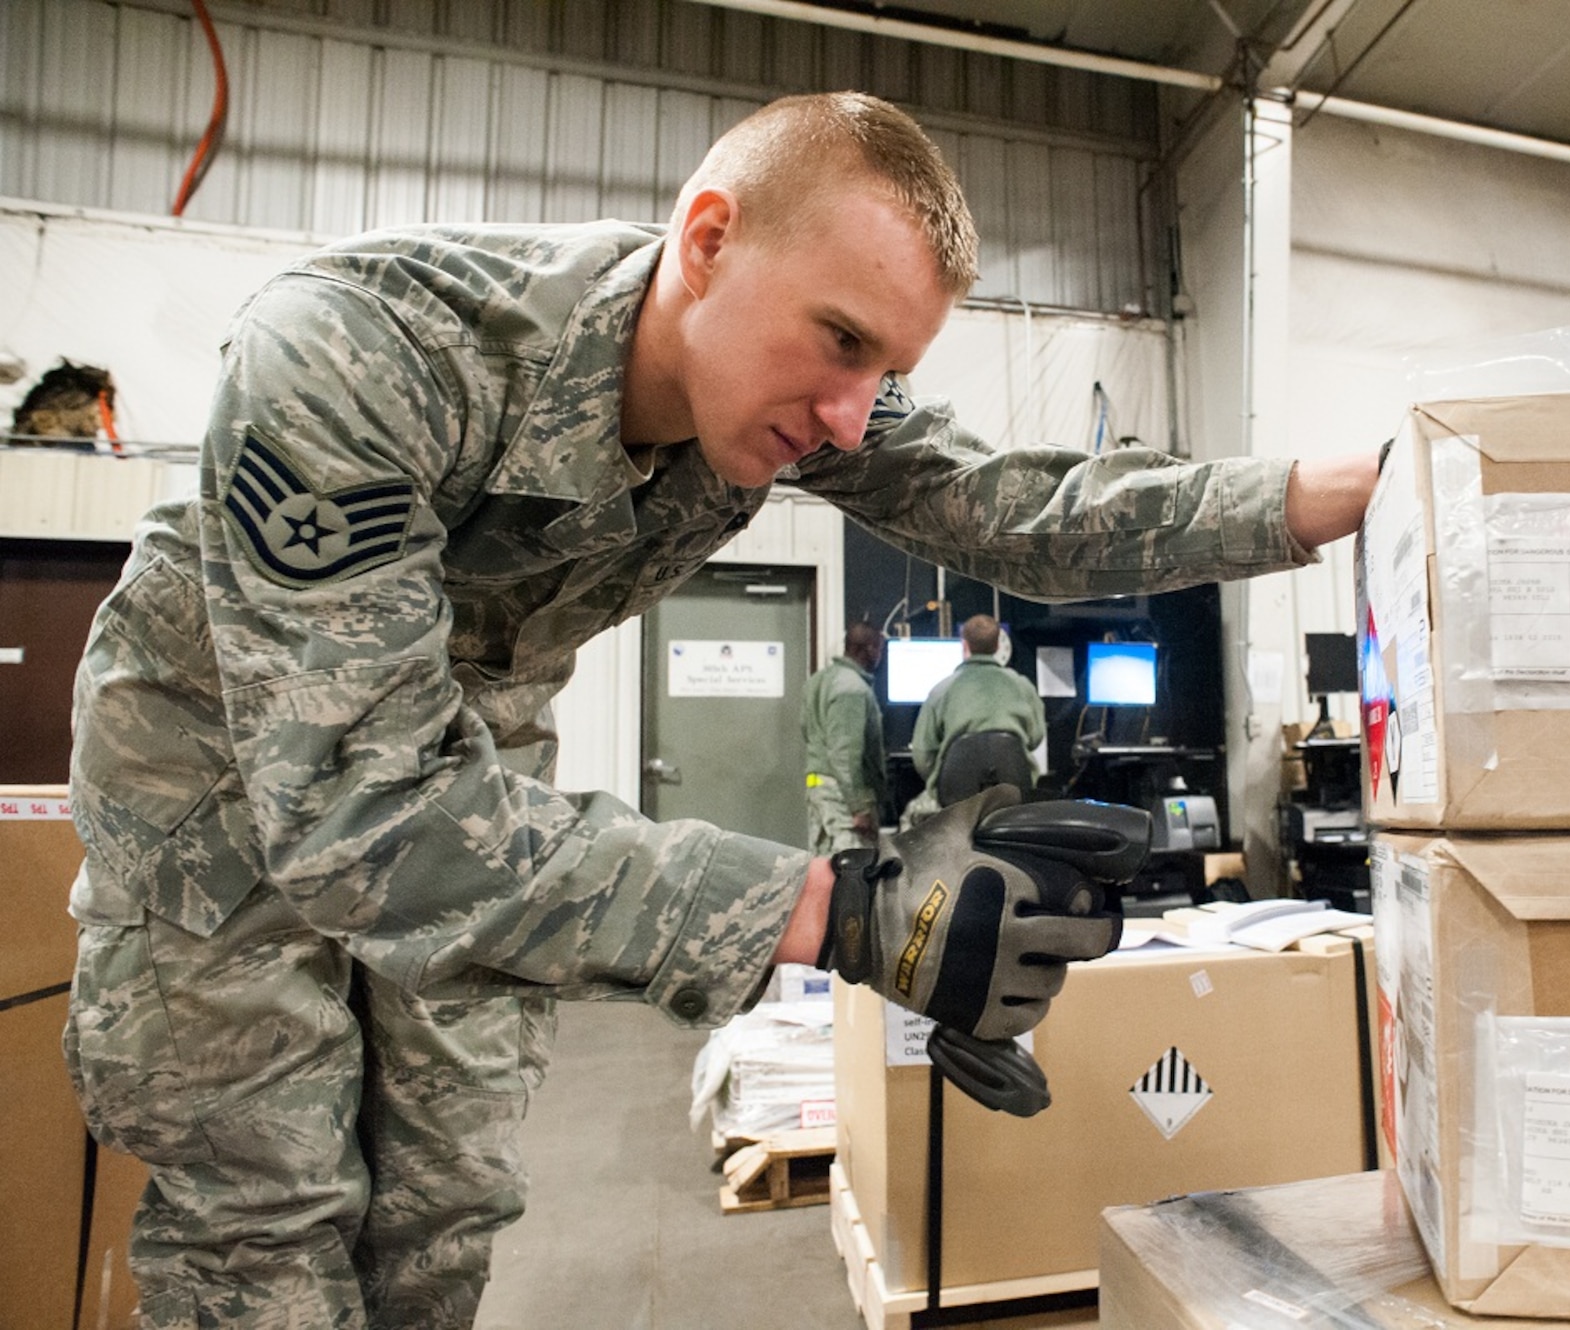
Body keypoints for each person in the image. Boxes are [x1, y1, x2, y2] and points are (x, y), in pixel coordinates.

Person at [63, 90, 1378, 1329]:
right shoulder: (362, 348)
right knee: (268, 1222)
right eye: (842, 343)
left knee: (440, 1202)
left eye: (889, 369)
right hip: (223, 785)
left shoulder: (802, 393)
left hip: (477, 766)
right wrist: (842, 913)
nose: (853, 416)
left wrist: (1330, 491)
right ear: (707, 241)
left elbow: (1014, 503)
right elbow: (363, 805)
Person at [907, 614, 1044, 821]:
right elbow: (1035, 737)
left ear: (965, 645)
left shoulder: (942, 690)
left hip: (955, 800)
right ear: (998, 645)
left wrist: (941, 776)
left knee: (911, 816)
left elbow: (922, 754)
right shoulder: (1023, 686)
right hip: (1014, 795)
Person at [802, 620, 889, 854]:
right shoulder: (852, 689)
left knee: (823, 869)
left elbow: (806, 729)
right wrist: (858, 807)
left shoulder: (817, 681)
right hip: (842, 797)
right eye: (880, 648)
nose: (880, 656)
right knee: (851, 871)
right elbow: (845, 755)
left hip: (818, 789)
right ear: (869, 649)